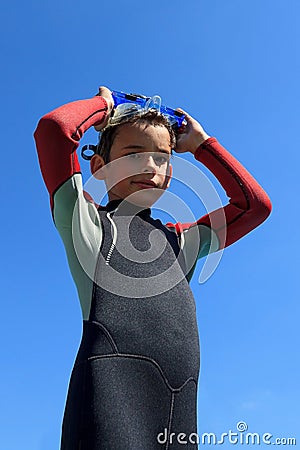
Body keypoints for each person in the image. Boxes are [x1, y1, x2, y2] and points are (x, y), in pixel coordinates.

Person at [34, 86, 271, 450]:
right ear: (98, 166)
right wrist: (106, 104)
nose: (149, 166)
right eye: (132, 154)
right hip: (107, 407)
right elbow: (54, 129)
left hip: (179, 419)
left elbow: (254, 205)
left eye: (161, 158)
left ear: (171, 173)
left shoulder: (182, 243)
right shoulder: (88, 225)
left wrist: (203, 144)